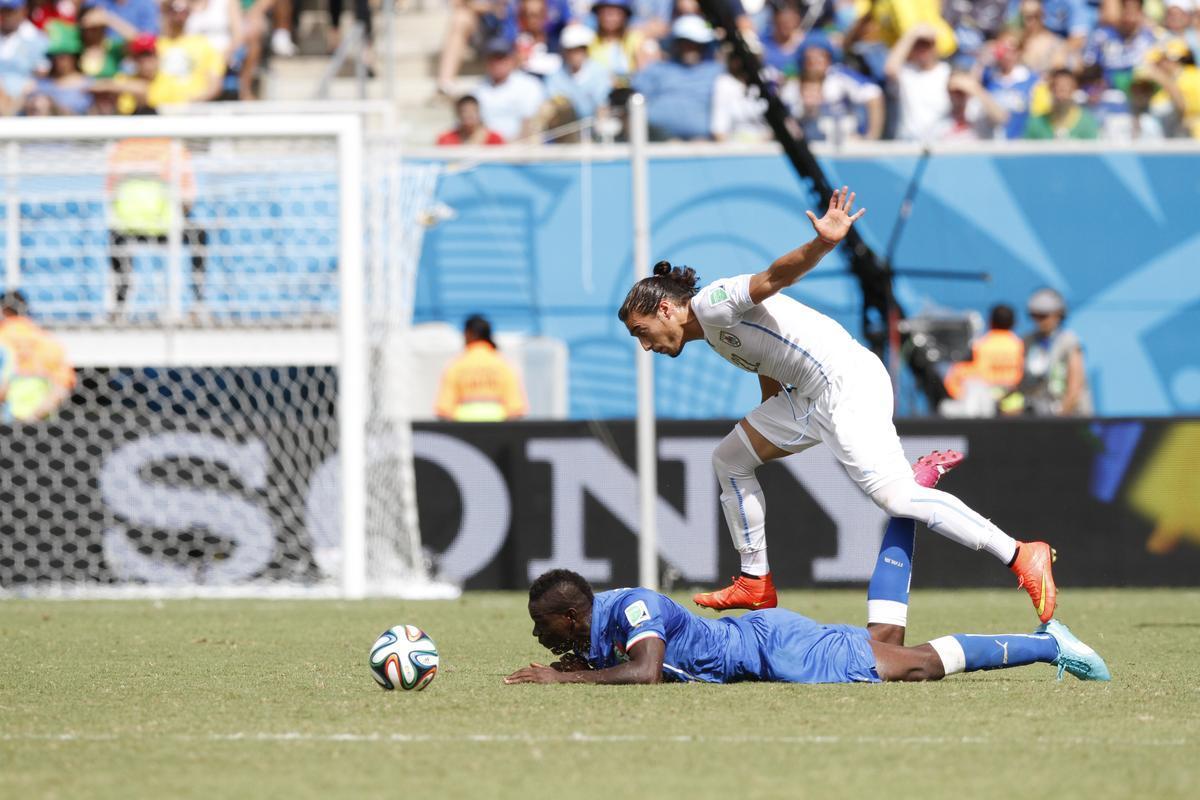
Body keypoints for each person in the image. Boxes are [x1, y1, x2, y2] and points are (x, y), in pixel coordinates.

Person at [617, 186, 1058, 624]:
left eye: (641, 330)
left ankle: (1020, 553)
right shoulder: (713, 334)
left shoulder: (711, 304)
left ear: (665, 308)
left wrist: (823, 242)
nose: (644, 344)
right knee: (729, 460)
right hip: (810, 395)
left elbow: (774, 277)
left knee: (897, 497)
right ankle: (755, 580)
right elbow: (767, 363)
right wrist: (768, 421)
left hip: (844, 383)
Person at [505, 456, 1108, 686]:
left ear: (569, 614)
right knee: (883, 642)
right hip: (767, 644)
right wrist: (580, 661)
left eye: (543, 627)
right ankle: (913, 499)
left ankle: (1046, 645)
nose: (539, 637)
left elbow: (645, 673)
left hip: (772, 651)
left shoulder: (633, 606)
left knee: (915, 664)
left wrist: (563, 680)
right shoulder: (596, 622)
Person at [106, 136, 208, 316]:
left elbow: (109, 195)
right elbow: (187, 198)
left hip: (127, 228)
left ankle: (119, 306)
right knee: (199, 235)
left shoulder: (119, 150)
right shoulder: (174, 149)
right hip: (166, 226)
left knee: (115, 239)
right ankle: (198, 303)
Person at [630, 14, 724, 140]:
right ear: (676, 43)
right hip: (655, 143)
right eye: (685, 42)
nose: (690, 48)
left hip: (702, 145)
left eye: (695, 43)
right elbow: (634, 99)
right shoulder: (657, 69)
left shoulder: (716, 71)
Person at [0, 290, 76, 422]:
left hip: (8, 420)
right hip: (41, 424)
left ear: (4, 310)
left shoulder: (3, 339)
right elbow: (62, 386)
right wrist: (36, 415)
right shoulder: (48, 342)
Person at [435, 314, 528, 421]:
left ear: (468, 333)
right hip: (498, 430)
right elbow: (516, 409)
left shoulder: (457, 366)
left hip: (462, 431)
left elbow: (444, 409)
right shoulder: (503, 366)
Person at [1020, 287, 1093, 417]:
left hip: (1070, 418)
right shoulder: (1028, 341)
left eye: (1043, 316)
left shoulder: (1069, 341)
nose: (1039, 321)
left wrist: (1058, 416)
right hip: (1039, 415)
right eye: (1034, 315)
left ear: (1058, 314)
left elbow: (1075, 388)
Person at [942, 303, 1025, 412]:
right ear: (1013, 323)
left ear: (990, 321)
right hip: (1015, 406)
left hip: (984, 406)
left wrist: (962, 397)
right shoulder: (1020, 346)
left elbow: (953, 379)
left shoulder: (979, 346)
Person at [540, 22, 613, 139]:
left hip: (595, 132)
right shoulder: (556, 75)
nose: (575, 55)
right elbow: (552, 106)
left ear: (585, 51)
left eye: (579, 50)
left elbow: (602, 106)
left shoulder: (599, 73)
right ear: (564, 52)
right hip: (565, 134)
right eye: (571, 50)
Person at [884, 22, 952, 142]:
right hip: (908, 143)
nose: (922, 50)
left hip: (941, 143)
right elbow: (890, 69)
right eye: (918, 46)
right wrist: (912, 34)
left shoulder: (947, 72)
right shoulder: (907, 72)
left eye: (927, 46)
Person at [472, 36, 547, 142]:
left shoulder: (529, 85)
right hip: (486, 150)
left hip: (522, 149)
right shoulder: (478, 90)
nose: (496, 63)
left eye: (501, 57)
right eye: (492, 58)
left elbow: (531, 123)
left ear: (512, 59)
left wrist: (512, 148)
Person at [0, 0, 49, 116]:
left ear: (23, 11)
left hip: (25, 97)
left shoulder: (37, 39)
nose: (8, 16)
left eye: (12, 11)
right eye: (4, 11)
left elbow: (42, 74)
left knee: (40, 104)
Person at [1024, 67, 1099, 138]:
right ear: (1050, 89)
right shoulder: (1037, 123)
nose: (1061, 95)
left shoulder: (1087, 122)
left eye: (1065, 89)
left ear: (1074, 89)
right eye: (1057, 89)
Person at [437, 94, 506, 145]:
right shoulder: (446, 139)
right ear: (458, 113)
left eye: (473, 111)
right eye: (464, 111)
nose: (469, 115)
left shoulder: (494, 139)